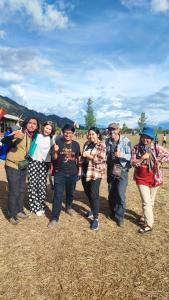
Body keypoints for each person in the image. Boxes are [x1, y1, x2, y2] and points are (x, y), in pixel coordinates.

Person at [2, 117, 40, 225]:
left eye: (34, 124)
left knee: (21, 189)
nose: (32, 125)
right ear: (26, 123)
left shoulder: (33, 137)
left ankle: (19, 210)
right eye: (30, 123)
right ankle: (11, 215)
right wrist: (14, 136)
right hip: (12, 165)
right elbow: (3, 140)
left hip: (23, 166)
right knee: (14, 191)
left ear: (37, 126)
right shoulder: (18, 132)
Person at [132, 126, 169, 233]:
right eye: (144, 136)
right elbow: (133, 163)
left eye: (148, 137)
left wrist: (160, 160)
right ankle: (149, 224)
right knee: (146, 202)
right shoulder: (136, 148)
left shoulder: (157, 148)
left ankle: (144, 217)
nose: (145, 139)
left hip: (155, 178)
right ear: (141, 137)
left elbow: (168, 155)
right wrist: (143, 158)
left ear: (152, 139)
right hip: (141, 178)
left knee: (150, 201)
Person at [48, 124, 81, 228]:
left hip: (72, 173)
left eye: (70, 132)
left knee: (71, 193)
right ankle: (54, 218)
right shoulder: (58, 143)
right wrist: (56, 151)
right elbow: (54, 158)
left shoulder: (76, 144)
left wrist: (79, 171)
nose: (68, 134)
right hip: (60, 173)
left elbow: (78, 159)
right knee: (58, 195)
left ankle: (69, 207)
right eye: (66, 132)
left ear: (73, 134)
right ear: (63, 133)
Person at [27, 121, 56, 216]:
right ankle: (34, 207)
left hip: (45, 164)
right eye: (46, 128)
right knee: (33, 184)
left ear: (52, 130)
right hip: (34, 162)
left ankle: (40, 204)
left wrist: (74, 127)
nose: (47, 130)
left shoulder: (52, 139)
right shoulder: (36, 135)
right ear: (43, 127)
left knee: (42, 185)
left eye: (49, 129)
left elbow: (66, 136)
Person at [106, 123, 131, 227]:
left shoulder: (126, 141)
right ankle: (112, 212)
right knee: (111, 192)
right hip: (111, 169)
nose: (112, 131)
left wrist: (122, 155)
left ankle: (120, 217)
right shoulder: (107, 141)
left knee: (120, 193)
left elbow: (130, 156)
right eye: (110, 129)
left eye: (114, 129)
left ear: (118, 130)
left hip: (122, 169)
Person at [80, 127, 106, 230]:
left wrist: (89, 156)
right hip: (85, 172)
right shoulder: (87, 143)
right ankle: (92, 210)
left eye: (93, 134)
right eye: (89, 134)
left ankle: (96, 219)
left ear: (98, 135)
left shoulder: (101, 145)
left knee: (94, 194)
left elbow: (101, 159)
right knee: (88, 192)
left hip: (95, 173)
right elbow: (83, 156)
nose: (91, 136)